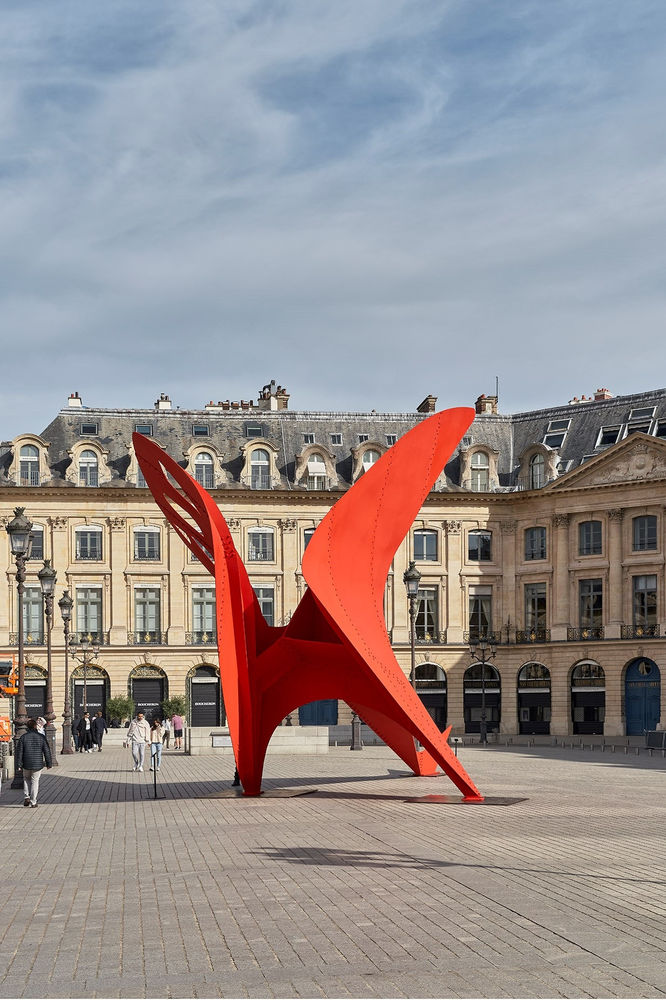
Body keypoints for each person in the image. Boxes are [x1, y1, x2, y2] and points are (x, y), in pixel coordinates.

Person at [16, 717, 52, 807]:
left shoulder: (23, 737)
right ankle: (33, 801)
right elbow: (46, 751)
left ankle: (26, 797)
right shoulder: (41, 737)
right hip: (37, 764)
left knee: (26, 779)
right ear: (35, 726)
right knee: (35, 781)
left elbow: (19, 752)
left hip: (26, 763)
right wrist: (49, 763)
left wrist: (19, 764)